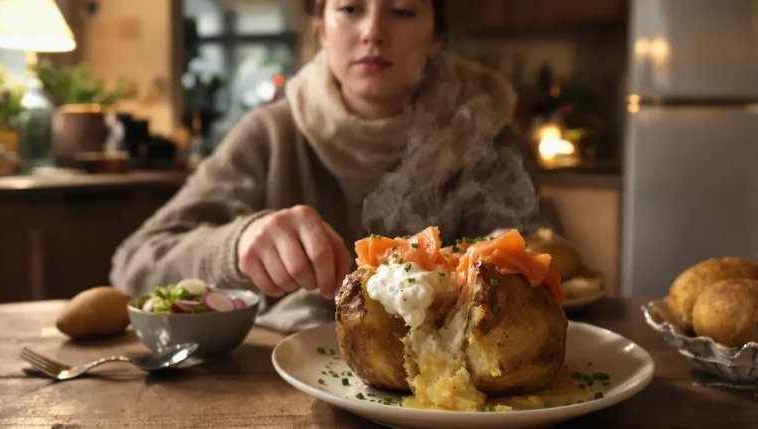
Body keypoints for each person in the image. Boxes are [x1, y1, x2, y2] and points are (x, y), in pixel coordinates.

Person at [110, 0, 554, 332]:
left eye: (401, 10)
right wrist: (237, 243)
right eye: (349, 8)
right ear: (321, 27)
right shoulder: (269, 134)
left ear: (436, 34)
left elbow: (552, 259)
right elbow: (133, 263)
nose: (373, 32)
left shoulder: (488, 131)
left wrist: (518, 257)